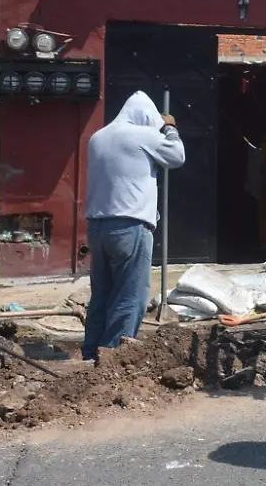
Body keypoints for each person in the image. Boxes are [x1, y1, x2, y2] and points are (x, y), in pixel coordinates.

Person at [81, 91, 185, 361]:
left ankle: (91, 354)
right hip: (130, 227)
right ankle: (112, 359)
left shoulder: (97, 138)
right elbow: (177, 156)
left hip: (98, 228)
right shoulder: (142, 135)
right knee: (130, 296)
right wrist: (169, 128)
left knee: (102, 295)